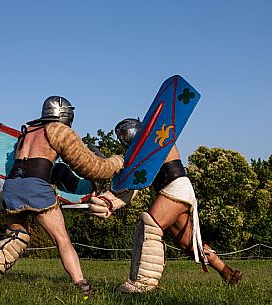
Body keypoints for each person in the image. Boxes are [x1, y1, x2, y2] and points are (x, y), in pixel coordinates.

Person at [0, 96, 124, 295]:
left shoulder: (26, 133)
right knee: (62, 239)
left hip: (11, 186)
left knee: (17, 236)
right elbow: (91, 167)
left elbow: (45, 166)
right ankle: (82, 285)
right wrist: (118, 162)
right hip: (37, 187)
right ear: (65, 114)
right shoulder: (59, 130)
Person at [88, 118, 242, 293]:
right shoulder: (140, 154)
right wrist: (111, 196)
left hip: (175, 188)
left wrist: (117, 168)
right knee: (189, 245)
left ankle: (144, 284)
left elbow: (137, 170)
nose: (122, 139)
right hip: (176, 192)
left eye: (124, 133)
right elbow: (134, 184)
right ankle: (228, 273)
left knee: (150, 225)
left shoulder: (156, 139)